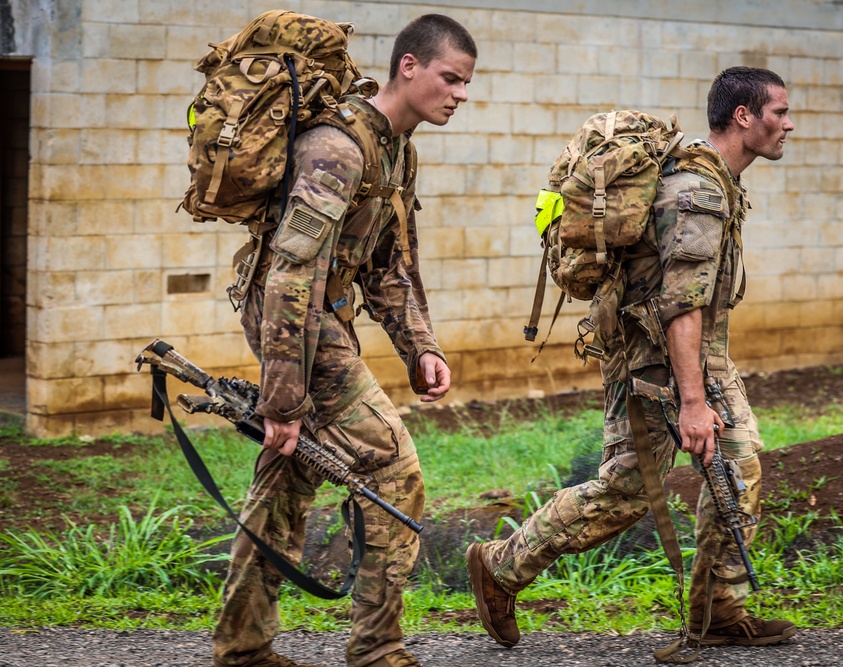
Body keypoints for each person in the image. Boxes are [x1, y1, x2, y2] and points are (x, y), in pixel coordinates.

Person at [467, 67, 797, 650]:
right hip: (656, 365)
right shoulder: (698, 192)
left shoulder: (712, 179)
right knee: (625, 491)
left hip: (694, 359)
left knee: (738, 468)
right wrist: (694, 402)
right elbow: (680, 307)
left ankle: (719, 612)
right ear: (744, 116)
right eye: (779, 113)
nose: (788, 125)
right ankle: (501, 566)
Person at [212, 15, 476, 667]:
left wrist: (422, 348)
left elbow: (389, 265)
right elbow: (289, 273)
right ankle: (378, 648)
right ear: (408, 66)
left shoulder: (396, 152)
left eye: (467, 83)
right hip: (289, 316)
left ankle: (242, 646)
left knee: (286, 475)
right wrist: (282, 398)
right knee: (393, 465)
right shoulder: (339, 147)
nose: (461, 94)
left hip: (316, 317)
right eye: (451, 78)